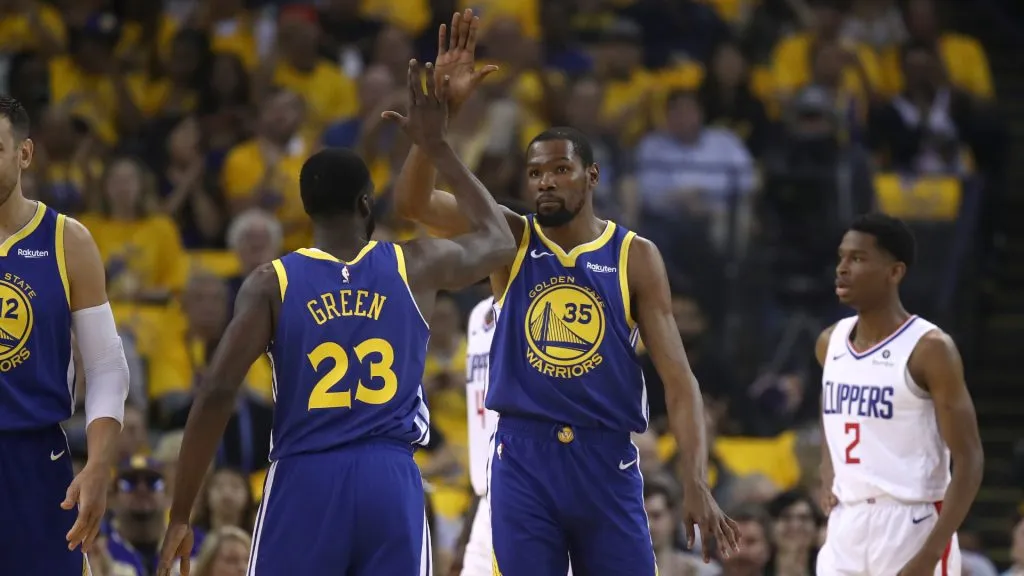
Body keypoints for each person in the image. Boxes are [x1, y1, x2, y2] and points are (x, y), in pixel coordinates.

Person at [393, 11, 739, 574]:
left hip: (606, 458)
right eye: (535, 174)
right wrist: (442, 124)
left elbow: (680, 380)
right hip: (523, 459)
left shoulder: (635, 255)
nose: (545, 182)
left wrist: (694, 479)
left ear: (593, 176)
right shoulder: (510, 236)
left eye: (559, 170)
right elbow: (414, 205)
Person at [156, 57, 517, 576]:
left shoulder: (271, 282)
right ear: (367, 203)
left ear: (308, 210)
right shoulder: (414, 263)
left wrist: (182, 512)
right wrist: (437, 146)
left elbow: (215, 391)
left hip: (306, 474)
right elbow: (501, 241)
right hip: (389, 478)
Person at [0, 96, 130, 574]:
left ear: (25, 154)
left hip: (36, 460)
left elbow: (105, 365)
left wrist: (97, 464)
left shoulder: (66, 239)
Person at [816, 213, 983, 576]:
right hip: (847, 520)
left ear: (895, 272)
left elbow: (970, 460)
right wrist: (827, 465)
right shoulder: (830, 343)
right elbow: (833, 404)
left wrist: (930, 553)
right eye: (842, 257)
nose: (842, 269)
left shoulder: (930, 349)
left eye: (858, 259)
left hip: (912, 520)